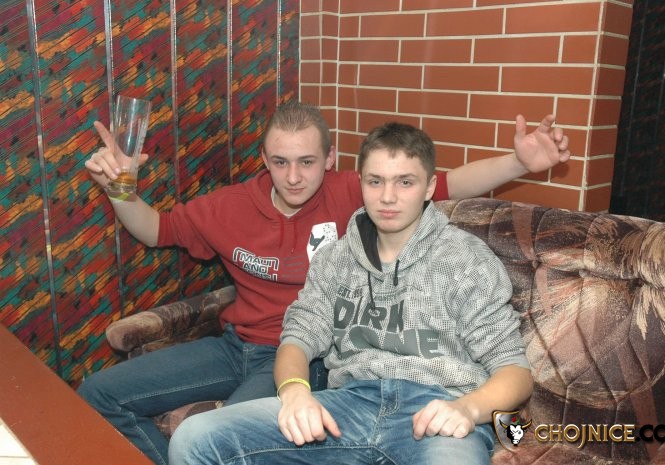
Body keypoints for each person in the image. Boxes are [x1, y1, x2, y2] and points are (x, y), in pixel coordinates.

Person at [78, 100, 567, 465]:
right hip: (283, 365)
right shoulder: (312, 245)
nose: (293, 176)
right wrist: (121, 187)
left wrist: (519, 163)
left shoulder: (405, 222)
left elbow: (454, 183)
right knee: (143, 413)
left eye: (307, 162)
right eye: (280, 162)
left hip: (400, 395)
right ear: (264, 159)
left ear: (330, 160)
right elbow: (158, 229)